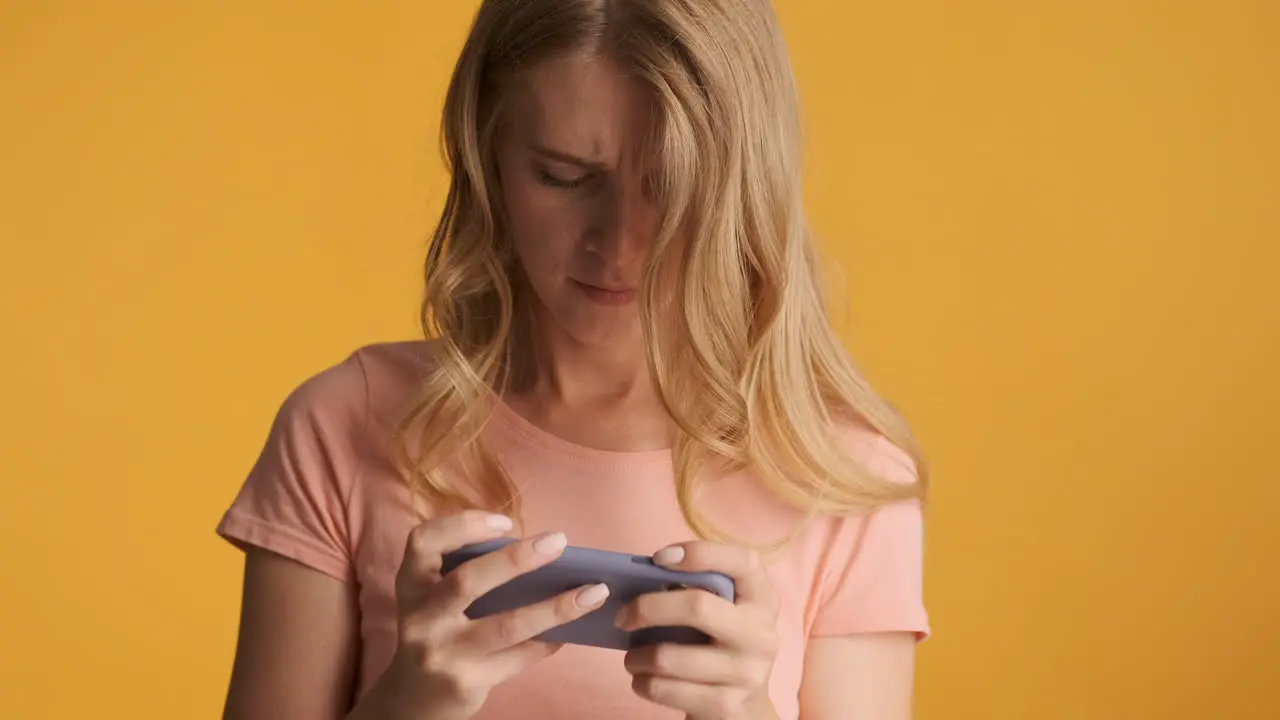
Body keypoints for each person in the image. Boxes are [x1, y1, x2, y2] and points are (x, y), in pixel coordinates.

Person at [217, 0, 930, 718]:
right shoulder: (344, 424)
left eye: (670, 188)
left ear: (743, 189)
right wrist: (409, 701)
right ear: (484, 156)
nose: (618, 242)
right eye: (562, 176)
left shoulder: (842, 477)